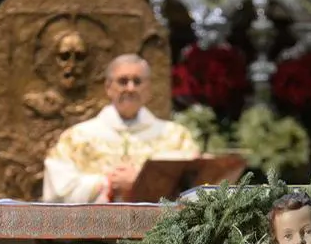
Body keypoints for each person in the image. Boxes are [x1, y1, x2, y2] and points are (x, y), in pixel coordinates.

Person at [41, 54, 199, 203]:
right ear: (108, 87)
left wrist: (141, 181)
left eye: (137, 81)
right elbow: (58, 191)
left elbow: (193, 190)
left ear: (148, 88)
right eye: (123, 81)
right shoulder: (77, 137)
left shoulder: (176, 137)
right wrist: (108, 183)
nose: (130, 88)